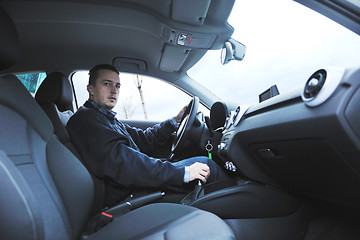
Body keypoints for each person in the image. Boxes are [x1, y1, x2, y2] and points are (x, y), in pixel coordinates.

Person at [67, 64, 229, 207]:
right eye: (107, 84)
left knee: (201, 164)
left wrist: (174, 121)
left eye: (117, 85)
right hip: (129, 194)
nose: (114, 90)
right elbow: (127, 165)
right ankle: (240, 202)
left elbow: (143, 140)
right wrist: (183, 173)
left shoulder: (105, 117)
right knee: (206, 165)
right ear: (91, 89)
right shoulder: (86, 120)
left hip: (135, 183)